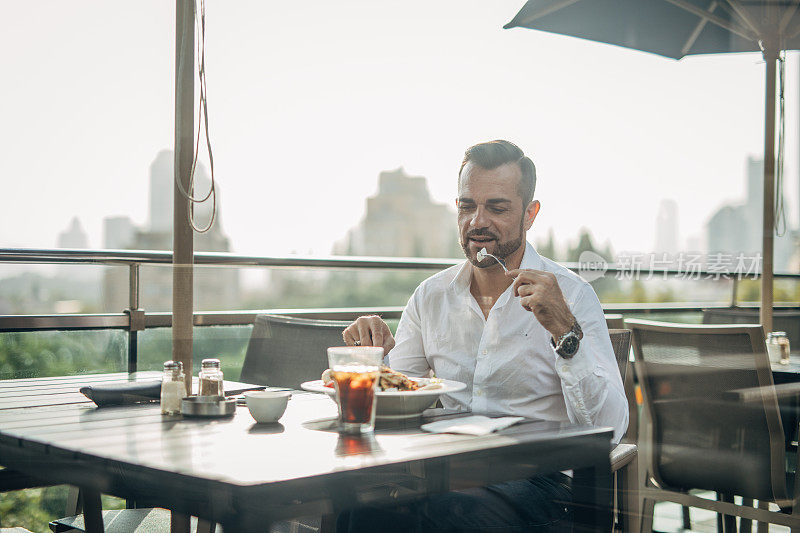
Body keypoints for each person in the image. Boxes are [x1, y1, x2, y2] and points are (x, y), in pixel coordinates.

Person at [339, 139, 627, 533]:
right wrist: (374, 358)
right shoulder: (431, 296)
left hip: (543, 480)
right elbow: (396, 401)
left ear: (530, 214)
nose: (477, 221)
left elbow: (610, 427)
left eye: (497, 207)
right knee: (360, 507)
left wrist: (565, 330)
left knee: (450, 511)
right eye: (466, 205)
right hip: (447, 469)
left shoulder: (572, 295)